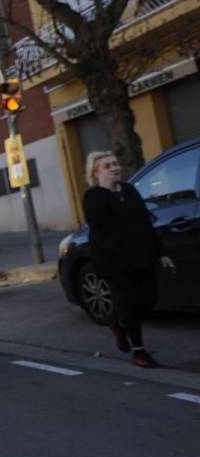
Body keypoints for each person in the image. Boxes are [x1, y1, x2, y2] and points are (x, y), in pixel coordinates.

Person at [82, 151, 175, 368]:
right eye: (107, 166)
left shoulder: (130, 190)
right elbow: (97, 222)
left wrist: (161, 253)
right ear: (96, 173)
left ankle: (119, 325)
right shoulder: (94, 197)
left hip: (142, 256)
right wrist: (108, 190)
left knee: (149, 300)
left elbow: (145, 222)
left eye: (115, 164)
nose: (114, 168)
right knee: (130, 304)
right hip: (115, 262)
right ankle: (139, 352)